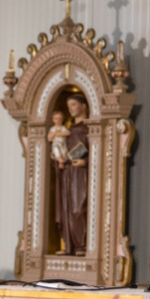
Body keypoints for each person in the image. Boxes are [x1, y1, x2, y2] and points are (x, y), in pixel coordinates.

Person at [53, 94, 91, 254]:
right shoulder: (68, 130)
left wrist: (85, 162)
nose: (71, 108)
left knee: (78, 208)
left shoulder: (88, 128)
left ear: (83, 106)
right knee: (66, 209)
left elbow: (101, 153)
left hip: (81, 173)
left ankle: (82, 245)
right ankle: (69, 246)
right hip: (68, 172)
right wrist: (56, 157)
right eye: (69, 106)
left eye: (74, 104)